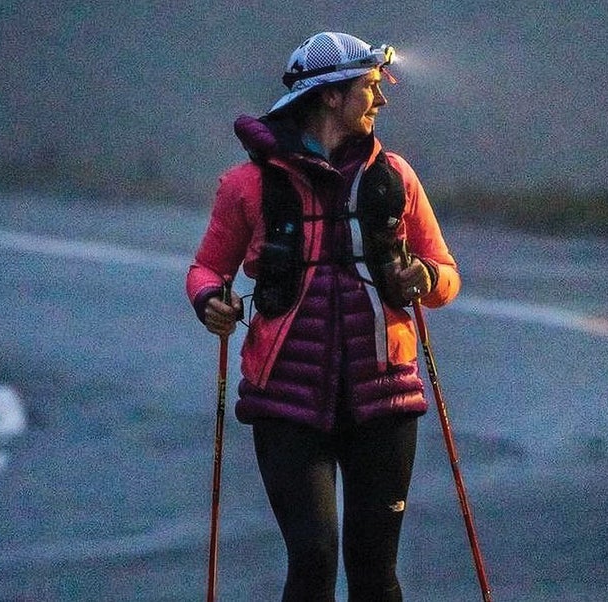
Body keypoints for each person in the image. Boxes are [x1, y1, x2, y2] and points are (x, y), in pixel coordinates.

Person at [186, 31, 460, 601]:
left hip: (385, 397)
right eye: (370, 87)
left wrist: (427, 279)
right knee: (312, 558)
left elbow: (445, 273)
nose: (381, 99)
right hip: (285, 401)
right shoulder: (247, 184)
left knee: (375, 572)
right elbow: (207, 268)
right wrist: (211, 301)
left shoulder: (396, 177)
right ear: (331, 95)